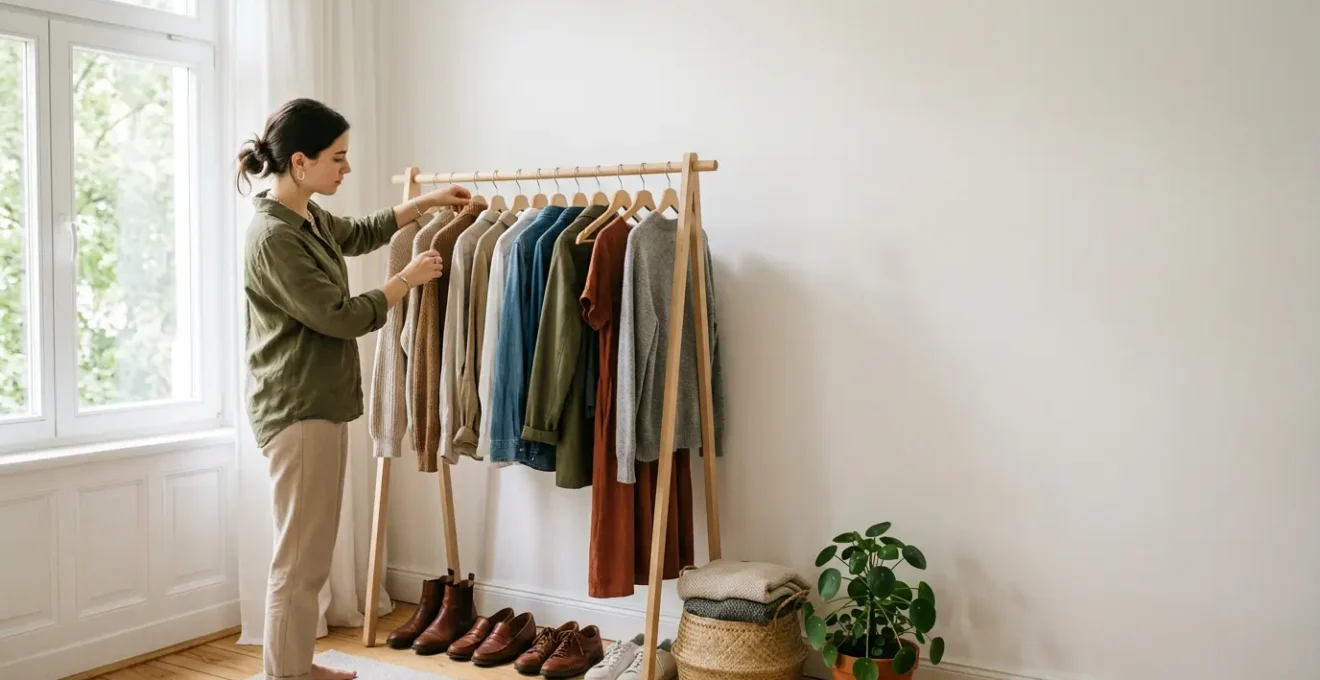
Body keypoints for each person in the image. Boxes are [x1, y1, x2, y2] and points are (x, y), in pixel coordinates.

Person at [237, 98, 470, 680]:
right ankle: (284, 675)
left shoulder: (306, 216)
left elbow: (360, 231)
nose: (346, 168)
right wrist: (403, 282)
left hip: (320, 401)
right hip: (298, 407)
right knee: (298, 559)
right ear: (299, 161)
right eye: (337, 158)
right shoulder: (273, 238)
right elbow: (337, 315)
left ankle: (295, 666)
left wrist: (424, 204)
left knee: (310, 554)